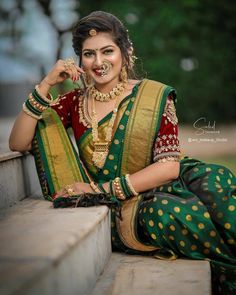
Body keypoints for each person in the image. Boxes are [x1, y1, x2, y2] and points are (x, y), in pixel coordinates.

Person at [9, 11, 236, 295]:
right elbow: (17, 143)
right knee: (171, 214)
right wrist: (47, 83)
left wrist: (99, 188)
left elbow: (168, 167)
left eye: (108, 51)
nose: (99, 62)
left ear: (126, 52)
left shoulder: (153, 96)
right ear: (80, 60)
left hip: (157, 182)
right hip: (127, 205)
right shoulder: (73, 102)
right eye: (88, 54)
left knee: (218, 183)